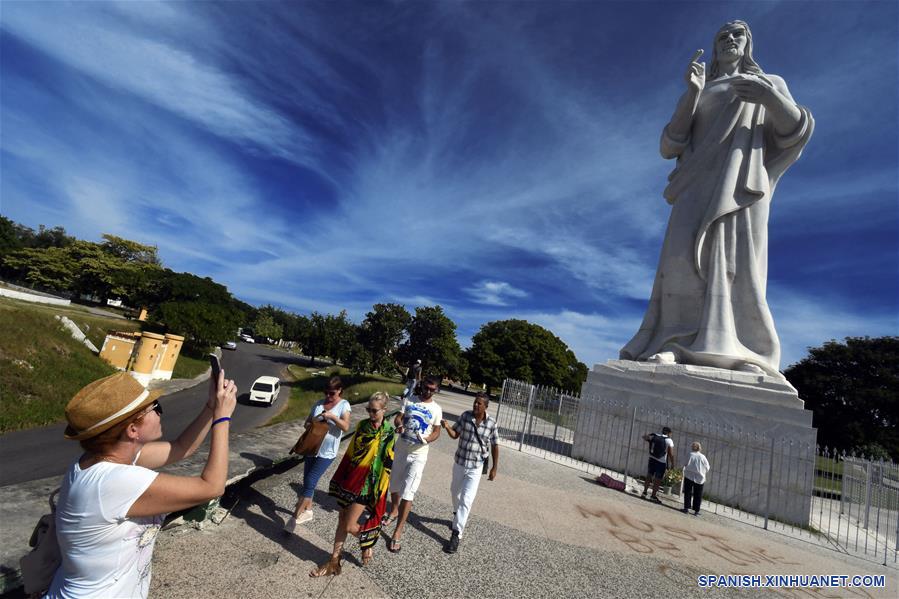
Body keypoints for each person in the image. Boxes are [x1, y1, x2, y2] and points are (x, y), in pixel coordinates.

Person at [619, 20, 814, 377]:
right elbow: (670, 145)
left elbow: (794, 132)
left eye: (737, 34)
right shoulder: (703, 88)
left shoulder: (770, 83)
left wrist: (769, 98)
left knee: (737, 266)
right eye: (722, 35)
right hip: (695, 185)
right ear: (714, 47)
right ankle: (672, 342)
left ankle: (742, 349)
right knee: (682, 266)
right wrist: (692, 93)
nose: (729, 39)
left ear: (748, 43)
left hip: (741, 187)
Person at [46, 370, 237, 599]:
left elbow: (181, 447)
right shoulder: (115, 482)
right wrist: (222, 417)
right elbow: (212, 487)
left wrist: (210, 407)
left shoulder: (98, 461)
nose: (159, 413)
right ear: (132, 430)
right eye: (154, 407)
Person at [310, 391, 394, 577]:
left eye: (374, 411)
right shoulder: (363, 425)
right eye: (368, 410)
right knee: (341, 521)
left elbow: (388, 464)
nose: (370, 414)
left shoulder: (389, 432)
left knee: (349, 526)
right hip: (350, 481)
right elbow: (351, 453)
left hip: (367, 485)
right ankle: (334, 561)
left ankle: (369, 540)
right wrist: (342, 478)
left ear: (384, 410)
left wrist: (379, 492)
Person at [284, 376, 351, 533]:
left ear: (340, 391)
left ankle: (294, 518)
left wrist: (332, 417)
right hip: (312, 448)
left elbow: (346, 426)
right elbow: (306, 423)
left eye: (332, 393)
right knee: (308, 482)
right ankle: (308, 511)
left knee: (310, 480)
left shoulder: (344, 405)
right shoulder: (319, 404)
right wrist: (316, 421)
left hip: (327, 452)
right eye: (326, 392)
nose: (328, 396)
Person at [384, 376, 443, 552]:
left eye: (432, 389)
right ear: (422, 386)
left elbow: (437, 432)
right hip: (401, 449)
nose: (428, 391)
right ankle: (394, 510)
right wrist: (399, 425)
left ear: (436, 390)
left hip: (418, 454)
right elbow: (398, 418)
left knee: (408, 492)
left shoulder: (436, 409)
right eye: (426, 387)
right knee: (394, 485)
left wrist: (427, 439)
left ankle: (398, 531)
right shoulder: (410, 400)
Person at [439, 392, 499, 554]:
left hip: (476, 466)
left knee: (467, 499)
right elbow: (455, 435)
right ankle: (456, 513)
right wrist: (447, 427)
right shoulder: (465, 416)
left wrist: (494, 468)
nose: (475, 405)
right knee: (454, 492)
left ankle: (456, 534)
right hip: (459, 462)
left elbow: (495, 445)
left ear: (485, 406)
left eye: (479, 403)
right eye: (475, 402)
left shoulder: (491, 423)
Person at [641, 426, 674, 503]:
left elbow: (644, 437)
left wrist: (651, 435)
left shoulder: (655, 435)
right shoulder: (669, 440)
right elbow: (671, 454)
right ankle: (653, 496)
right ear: (669, 433)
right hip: (661, 462)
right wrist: (672, 464)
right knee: (657, 479)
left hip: (652, 458)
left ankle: (644, 493)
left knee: (649, 475)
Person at [682, 441, 711, 516]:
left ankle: (686, 508)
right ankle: (696, 511)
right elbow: (707, 467)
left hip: (689, 476)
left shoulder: (690, 454)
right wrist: (703, 471)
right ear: (699, 448)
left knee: (688, 492)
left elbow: (685, 463)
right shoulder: (702, 456)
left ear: (692, 447)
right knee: (698, 494)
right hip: (700, 477)